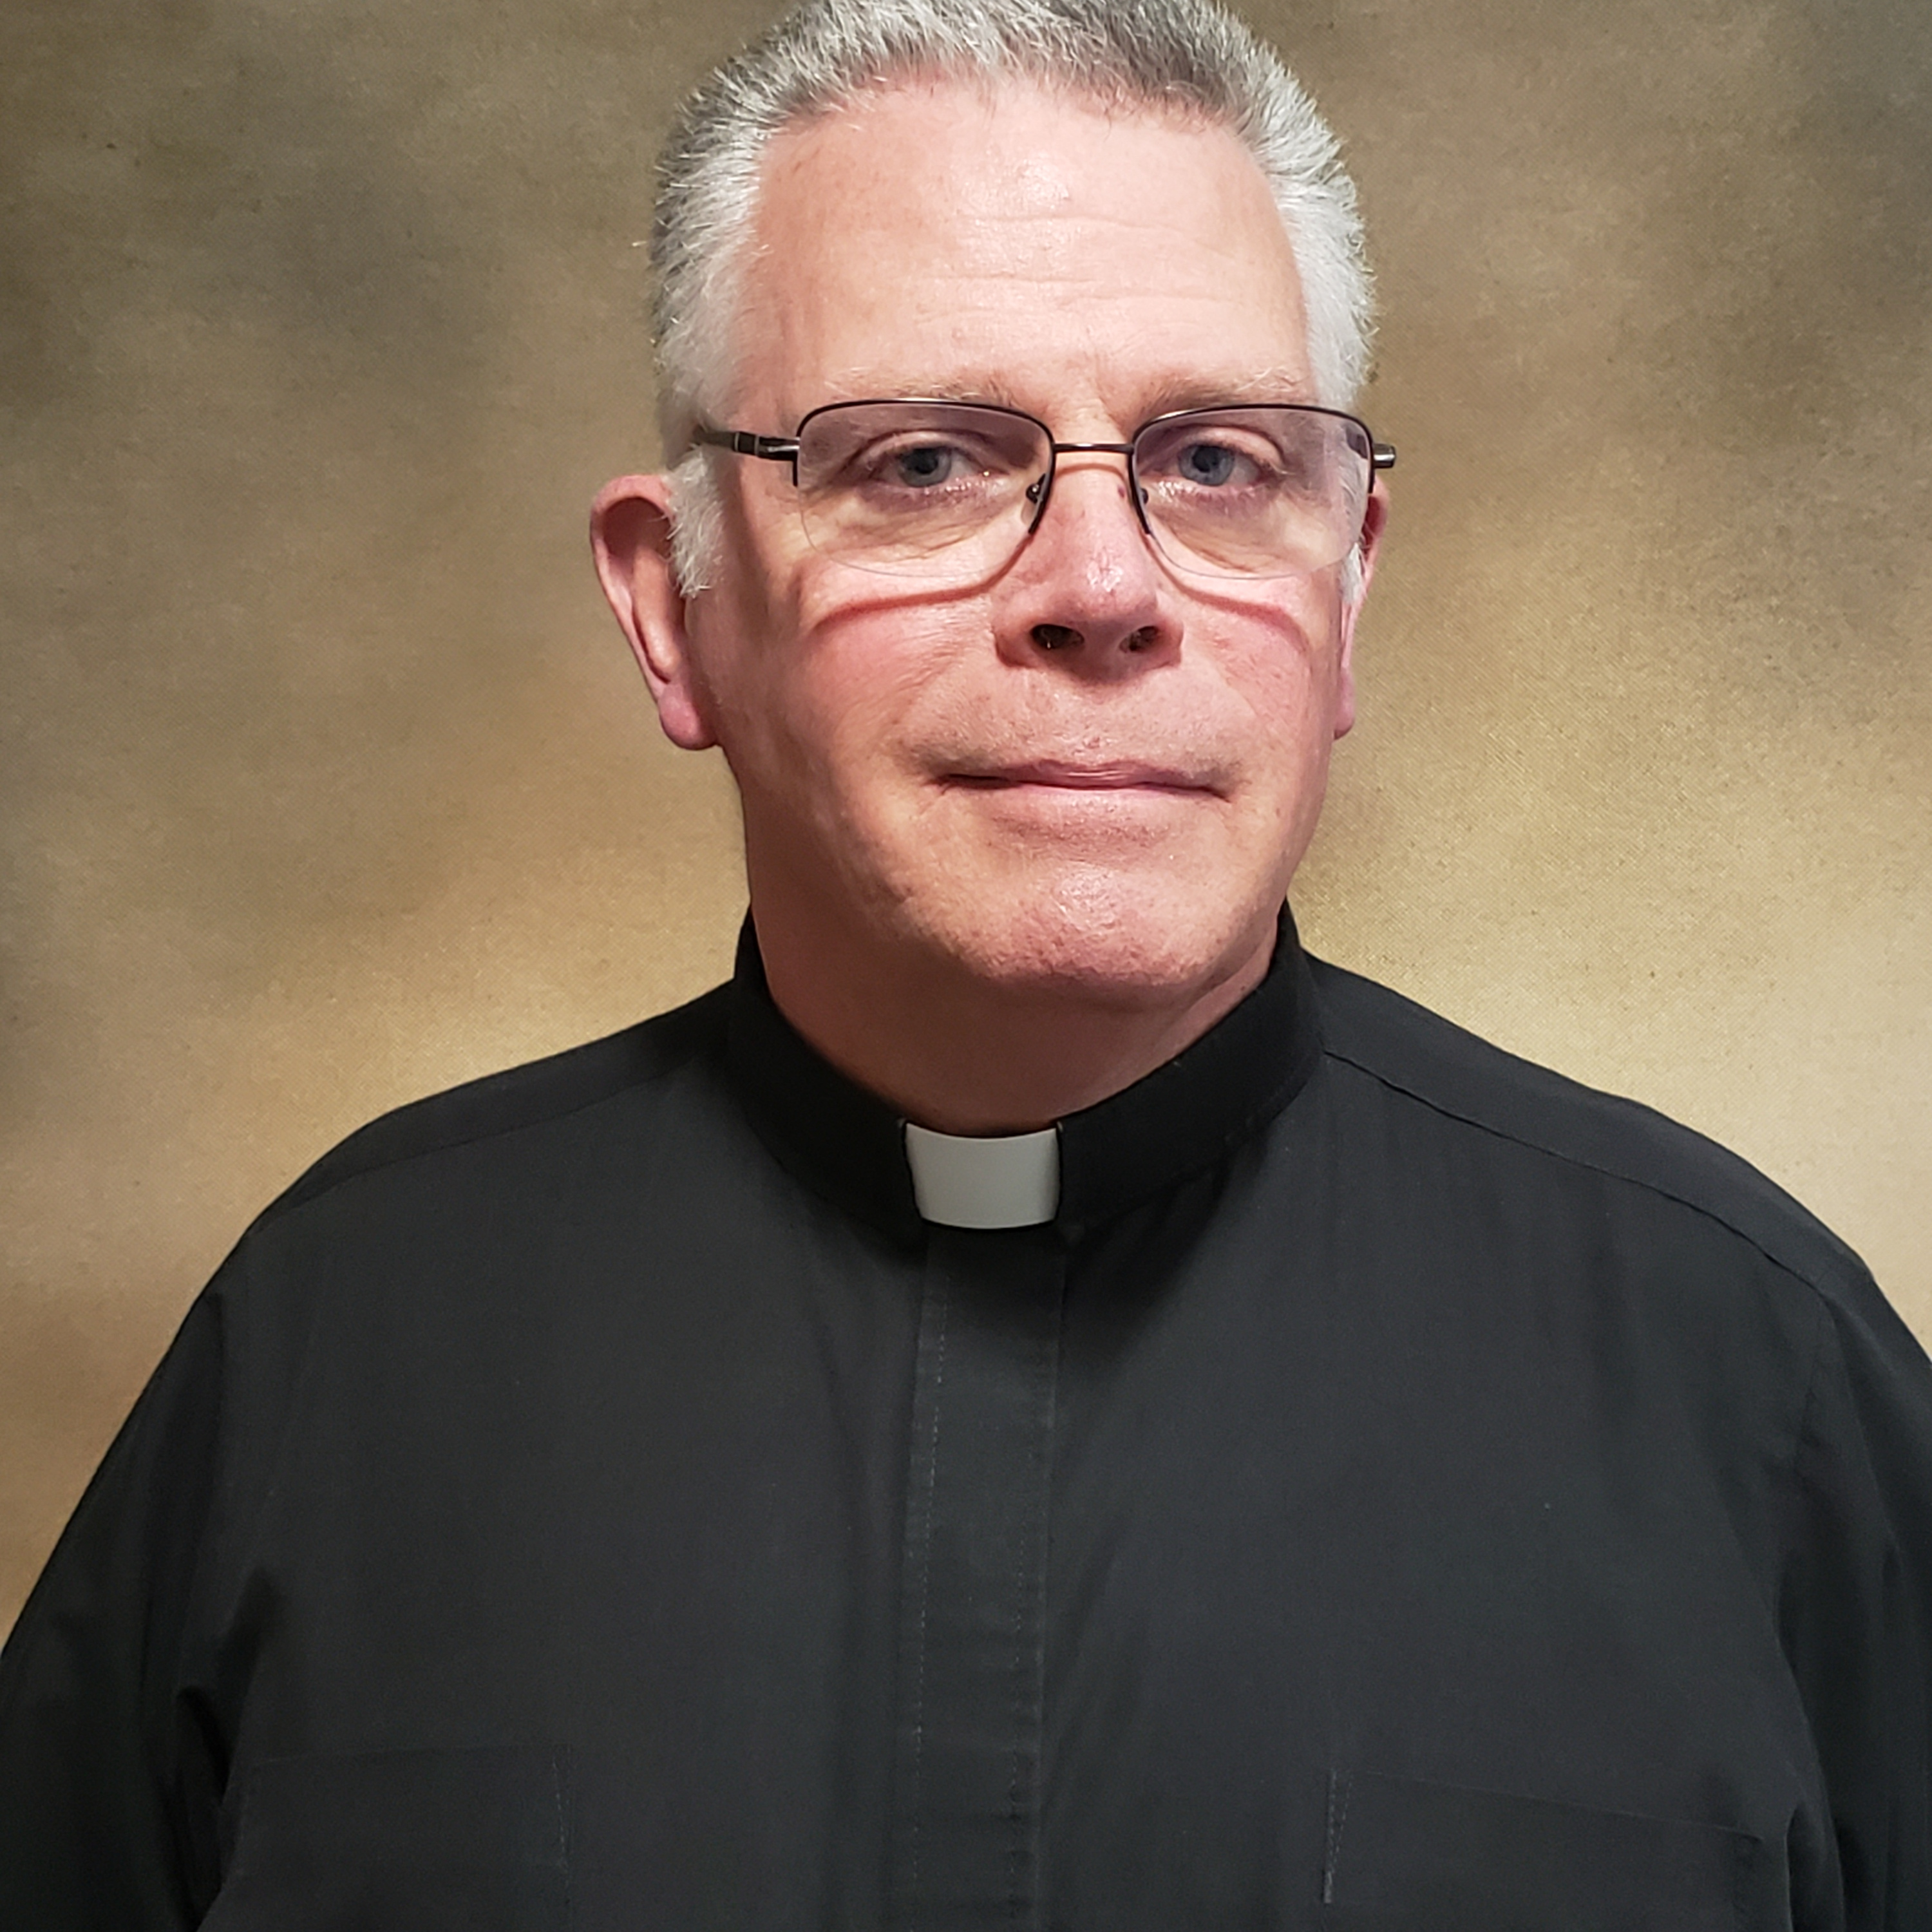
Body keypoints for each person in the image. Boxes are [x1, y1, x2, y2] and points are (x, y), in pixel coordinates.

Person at [2, 0, 1927, 1923]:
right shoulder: (339, 1345)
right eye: (924, 460)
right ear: (674, 606)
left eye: (1220, 461)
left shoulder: (1756, 1385)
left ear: (1349, 583)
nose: (1103, 587)